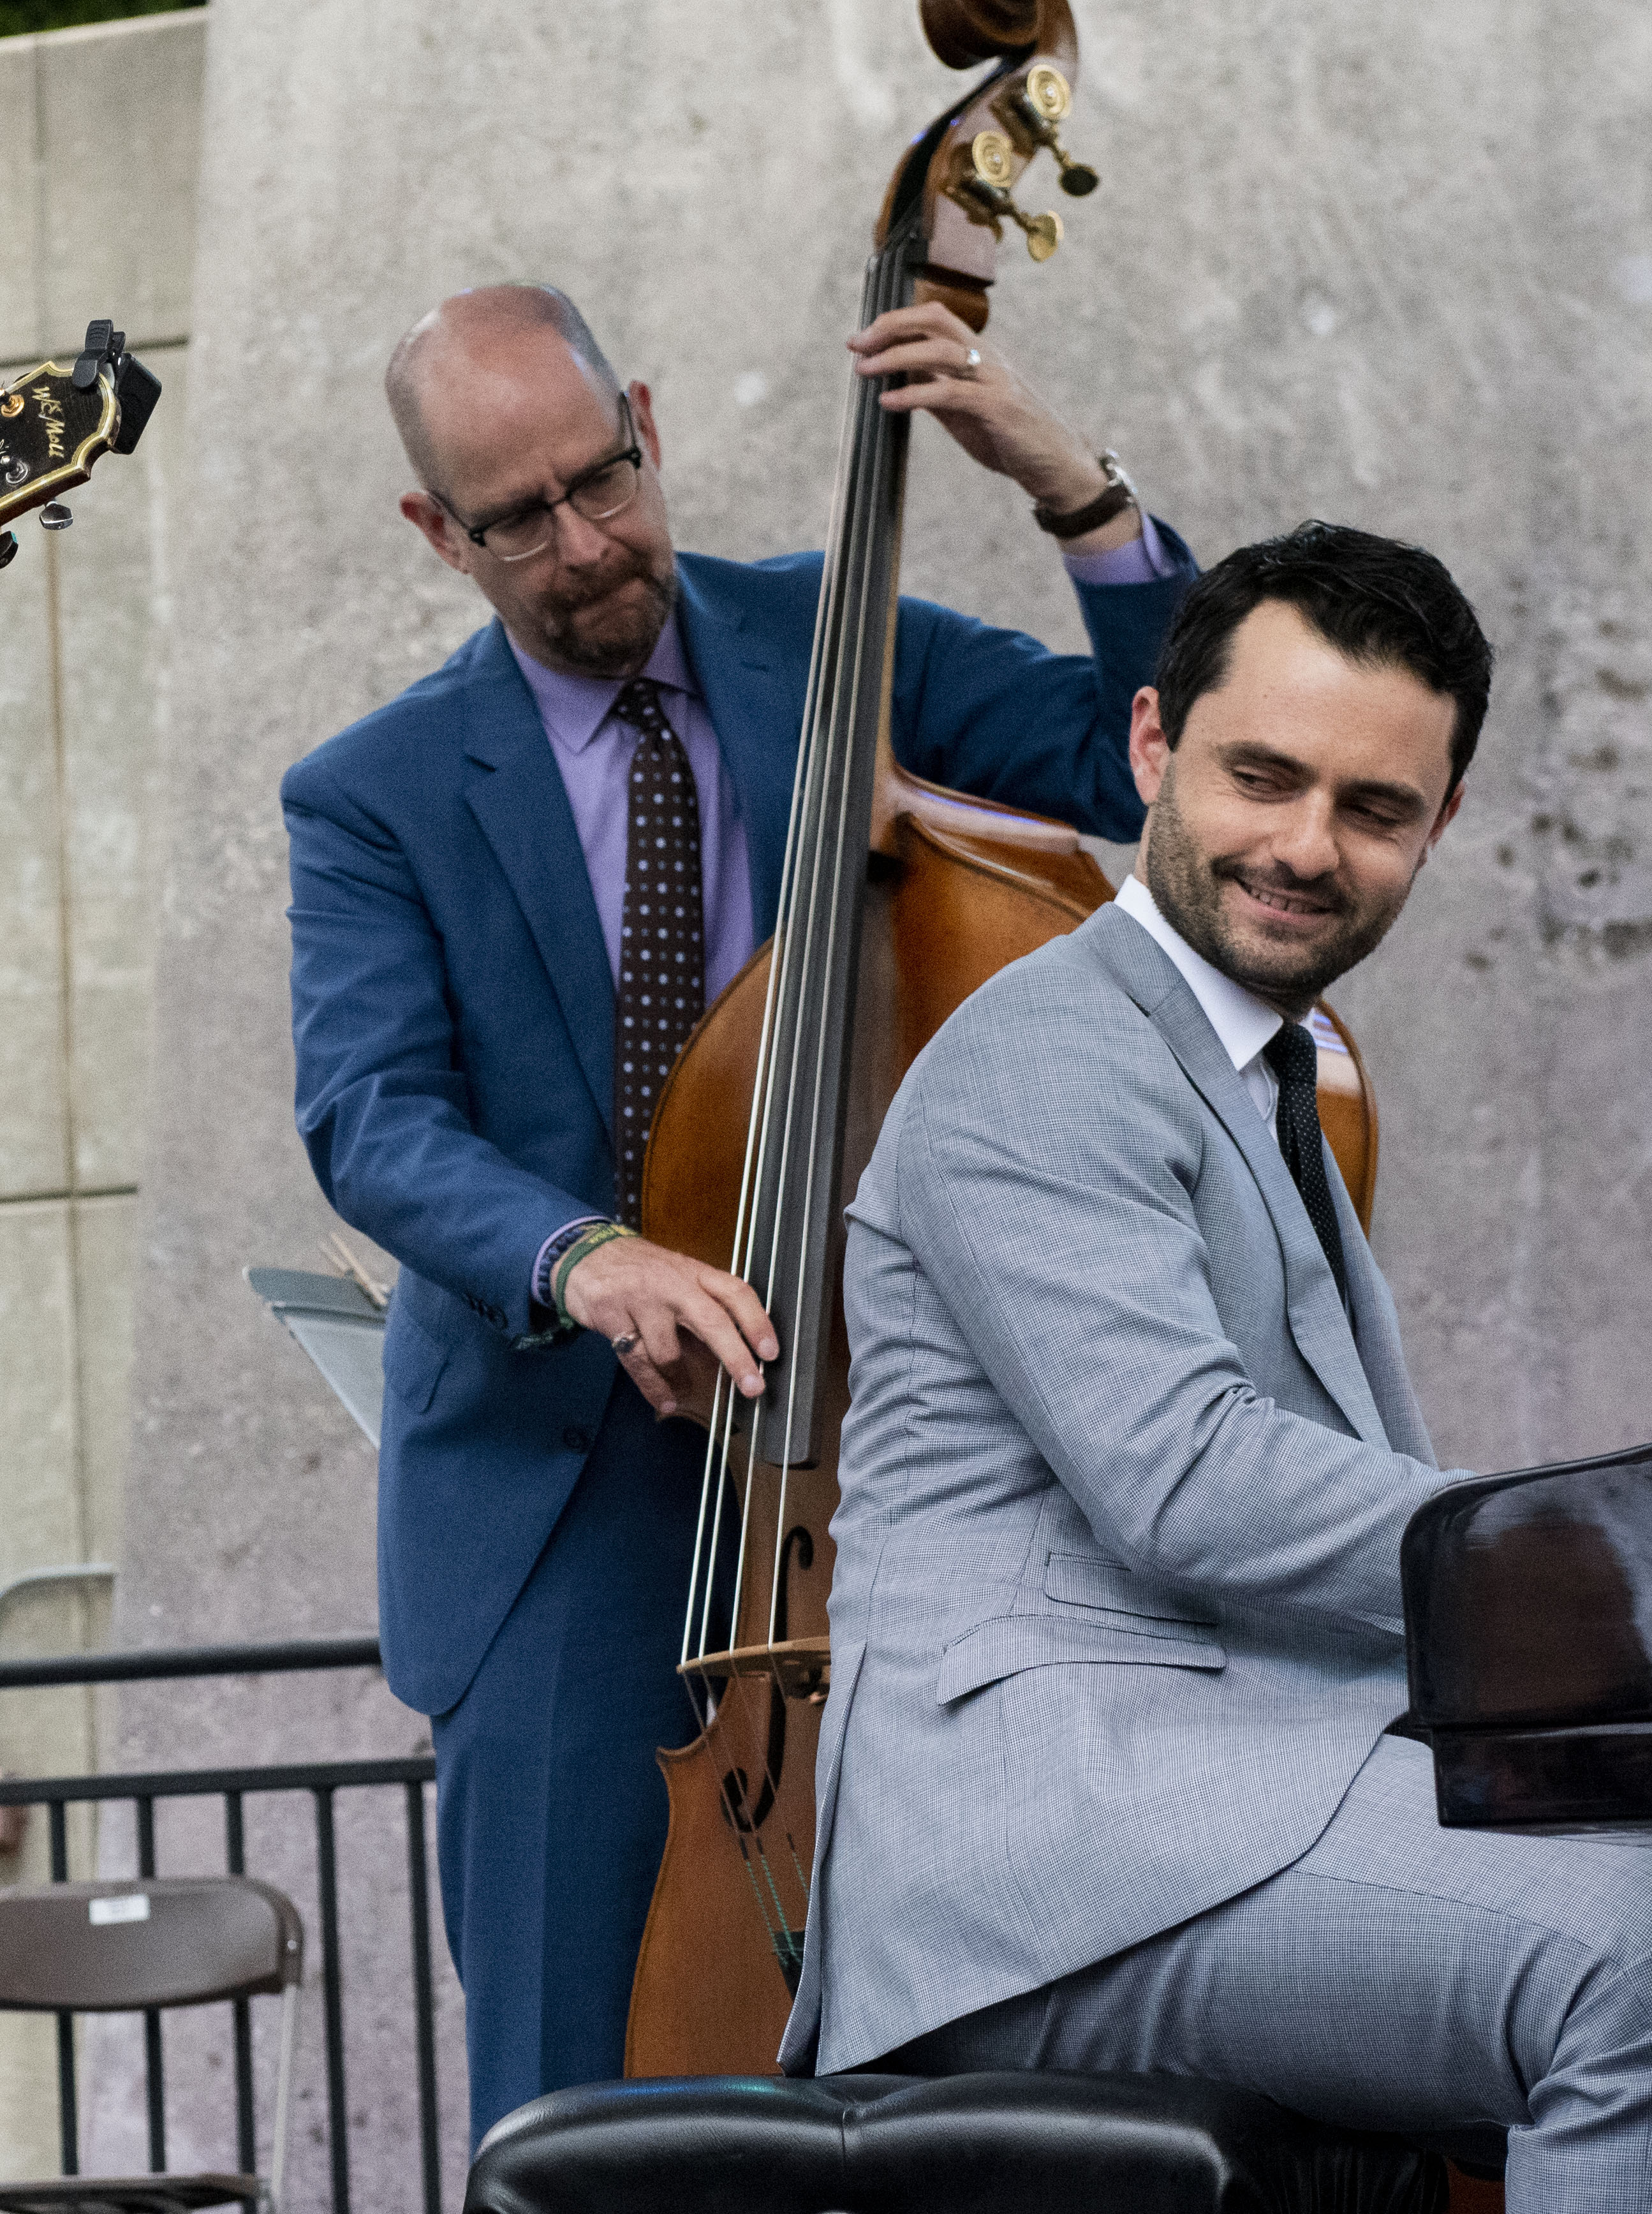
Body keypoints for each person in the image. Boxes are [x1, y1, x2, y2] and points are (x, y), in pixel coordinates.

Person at [788, 522, 1652, 2210]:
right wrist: (1646, 1557)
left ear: (1437, 823)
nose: (1303, 847)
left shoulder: (1269, 1087)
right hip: (1047, 1858)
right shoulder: (1043, 1055)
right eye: (1259, 778)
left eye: (1370, 809)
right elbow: (1186, 1486)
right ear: (1150, 746)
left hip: (1269, 1792)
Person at [284, 279, 1198, 2137]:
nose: (579, 543)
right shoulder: (367, 797)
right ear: (430, 532)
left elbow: (1156, 761)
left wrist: (1072, 492)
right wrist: (586, 1256)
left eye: (597, 478)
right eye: (512, 519)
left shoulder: (842, 646)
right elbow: (370, 1117)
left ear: (642, 415)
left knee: (961, 2071)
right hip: (558, 1495)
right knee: (568, 2089)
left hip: (878, 1464)